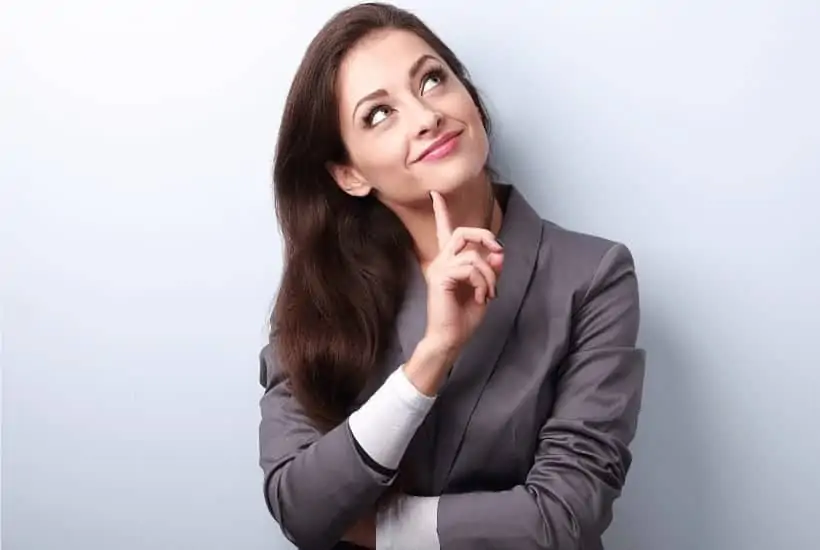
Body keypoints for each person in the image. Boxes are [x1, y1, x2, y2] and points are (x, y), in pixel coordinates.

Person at [258, 3, 646, 549]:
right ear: (348, 174)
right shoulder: (318, 298)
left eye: (432, 80)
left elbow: (564, 517)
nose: (425, 116)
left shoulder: (593, 276)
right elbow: (300, 507)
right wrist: (433, 354)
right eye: (379, 114)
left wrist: (380, 531)